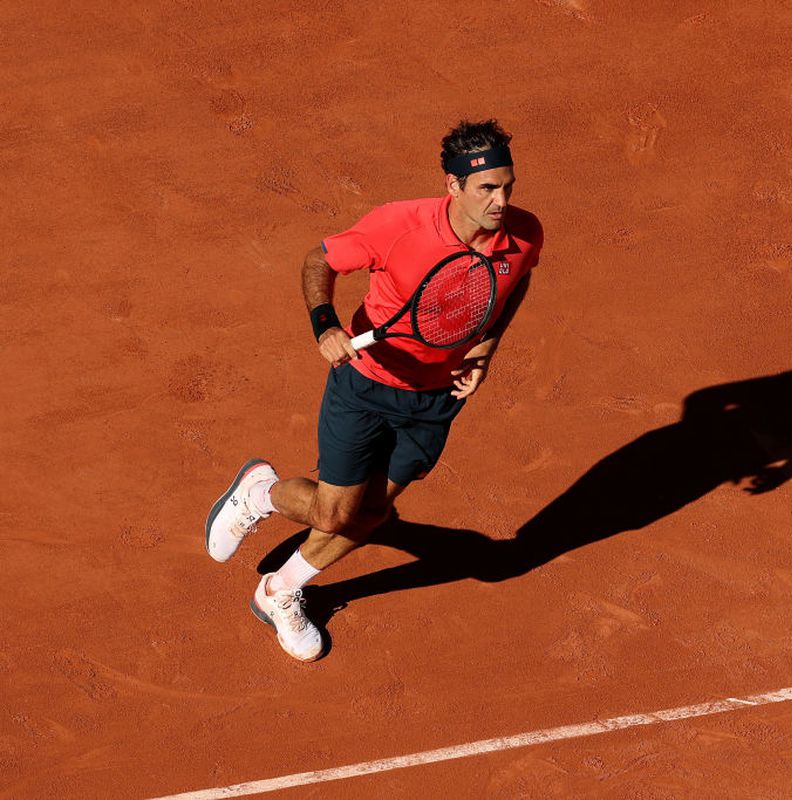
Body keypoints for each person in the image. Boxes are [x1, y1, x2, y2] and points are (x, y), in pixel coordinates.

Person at [204, 119, 543, 661]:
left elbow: (514, 281)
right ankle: (258, 493)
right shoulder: (399, 226)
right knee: (337, 515)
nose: (500, 201)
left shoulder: (524, 235)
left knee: (372, 515)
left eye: (507, 186)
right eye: (486, 188)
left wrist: (486, 347)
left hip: (435, 400)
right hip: (365, 384)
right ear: (452, 186)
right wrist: (326, 325)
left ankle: (279, 590)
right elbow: (319, 260)